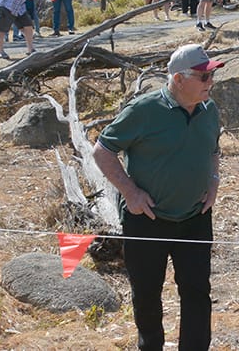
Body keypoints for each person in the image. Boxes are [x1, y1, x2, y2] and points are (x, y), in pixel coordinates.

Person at [93, 44, 223, 351]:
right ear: (179, 79)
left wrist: (214, 182)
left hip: (194, 218)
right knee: (147, 295)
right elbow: (103, 151)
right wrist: (130, 192)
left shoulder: (210, 110)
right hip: (146, 221)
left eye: (212, 75)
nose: (211, 82)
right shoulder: (144, 110)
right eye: (203, 77)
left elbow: (214, 150)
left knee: (197, 294)